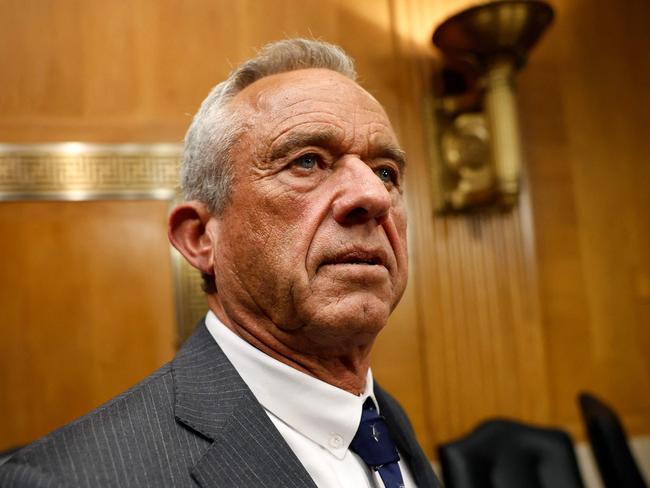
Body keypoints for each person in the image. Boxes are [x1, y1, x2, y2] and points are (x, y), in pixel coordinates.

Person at [0, 39, 441, 488]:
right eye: (307, 162)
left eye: (386, 171)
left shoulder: (381, 421)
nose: (371, 196)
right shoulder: (62, 479)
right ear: (199, 238)